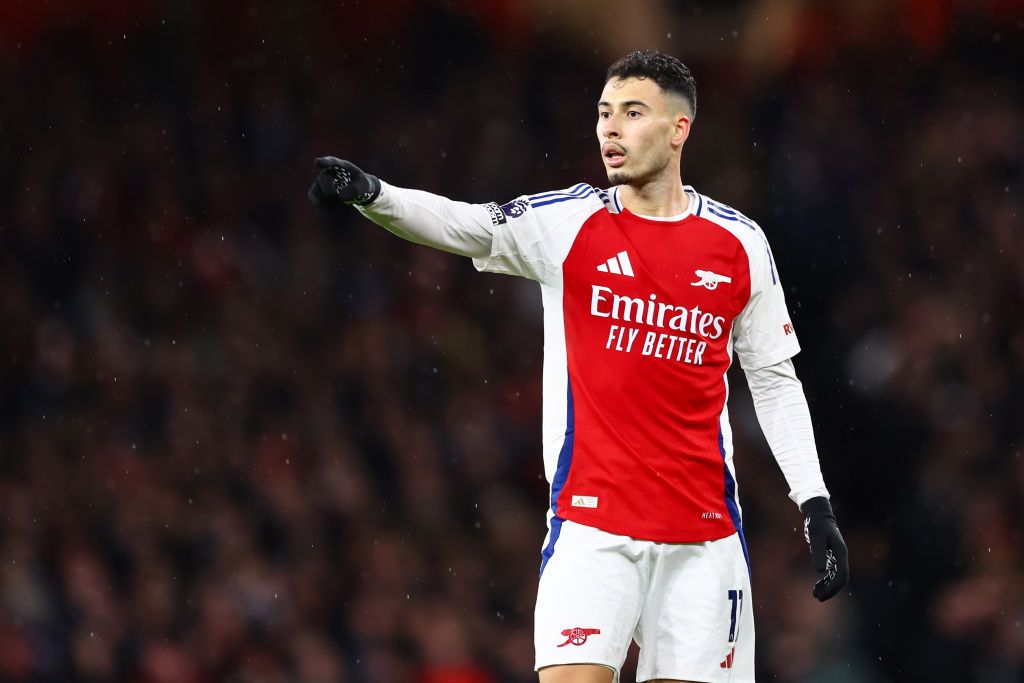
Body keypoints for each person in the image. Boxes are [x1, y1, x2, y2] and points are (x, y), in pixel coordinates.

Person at [308, 50, 848, 683]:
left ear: (679, 130)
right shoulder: (568, 222)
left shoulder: (739, 244)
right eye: (603, 113)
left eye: (632, 113)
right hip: (592, 529)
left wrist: (815, 505)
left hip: (703, 541)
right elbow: (466, 226)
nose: (609, 129)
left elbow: (775, 383)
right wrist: (374, 195)